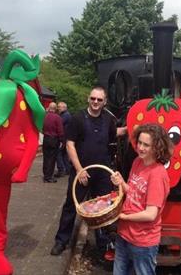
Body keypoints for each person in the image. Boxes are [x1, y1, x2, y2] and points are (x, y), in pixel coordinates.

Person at [50, 86, 127, 256]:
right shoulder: (77, 118)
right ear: (88, 99)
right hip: (82, 171)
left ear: (104, 102)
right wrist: (79, 170)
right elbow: (70, 144)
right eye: (93, 98)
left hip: (102, 173)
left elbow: (115, 133)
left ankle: (103, 243)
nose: (95, 102)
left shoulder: (108, 119)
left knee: (104, 210)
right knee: (71, 206)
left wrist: (133, 128)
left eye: (99, 100)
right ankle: (61, 241)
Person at [110, 124, 172, 275]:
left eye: (146, 145)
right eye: (139, 143)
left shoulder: (157, 175)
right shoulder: (138, 161)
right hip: (124, 234)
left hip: (143, 241)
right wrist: (121, 183)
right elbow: (133, 192)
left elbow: (151, 214)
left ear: (157, 147)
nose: (141, 148)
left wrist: (123, 216)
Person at [42, 102, 64, 183]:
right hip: (54, 139)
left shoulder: (45, 116)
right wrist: (62, 140)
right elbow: (60, 130)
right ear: (55, 109)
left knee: (46, 157)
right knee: (52, 158)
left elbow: (42, 127)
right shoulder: (57, 118)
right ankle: (49, 176)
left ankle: (45, 175)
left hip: (46, 138)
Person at [54, 101, 72, 177]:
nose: (58, 108)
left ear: (64, 107)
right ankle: (68, 169)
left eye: (59, 107)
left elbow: (59, 123)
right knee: (64, 154)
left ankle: (61, 170)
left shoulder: (65, 115)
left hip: (63, 138)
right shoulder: (66, 115)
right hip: (66, 137)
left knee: (58, 153)